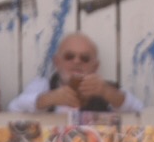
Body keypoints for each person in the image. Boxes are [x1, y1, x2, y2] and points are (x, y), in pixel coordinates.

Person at [8, 32, 144, 114]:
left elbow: (139, 111)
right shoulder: (43, 86)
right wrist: (49, 99)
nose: (77, 62)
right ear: (57, 62)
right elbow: (13, 109)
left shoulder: (106, 88)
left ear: (95, 66)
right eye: (69, 56)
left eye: (84, 58)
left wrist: (106, 92)